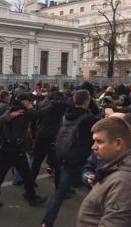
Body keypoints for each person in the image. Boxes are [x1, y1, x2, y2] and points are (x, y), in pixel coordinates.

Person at [41, 90, 98, 227]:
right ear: (87, 102)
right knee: (96, 191)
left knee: (59, 193)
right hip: (84, 160)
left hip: (67, 157)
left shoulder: (66, 116)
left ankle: (46, 223)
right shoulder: (89, 119)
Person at [77, 117, 131, 227]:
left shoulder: (124, 183)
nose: (93, 147)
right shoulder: (123, 171)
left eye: (99, 142)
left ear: (118, 143)